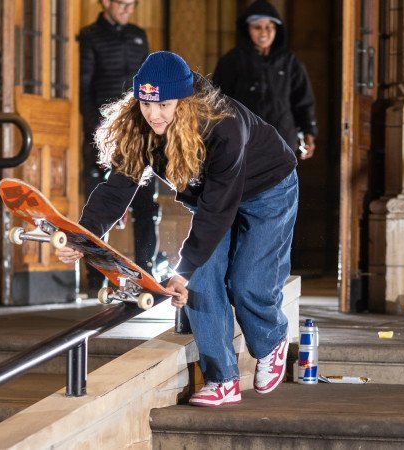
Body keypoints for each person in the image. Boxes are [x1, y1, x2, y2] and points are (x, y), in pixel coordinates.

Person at [56, 51, 299, 407]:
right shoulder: (140, 127)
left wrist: (183, 269)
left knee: (248, 282)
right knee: (201, 282)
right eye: (146, 103)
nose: (154, 115)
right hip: (213, 200)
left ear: (184, 101)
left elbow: (217, 210)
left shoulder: (223, 126)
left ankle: (271, 340)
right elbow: (117, 187)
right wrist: (84, 235)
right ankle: (222, 379)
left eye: (165, 105)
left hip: (268, 190)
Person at [78, 0, 160, 296]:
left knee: (146, 203)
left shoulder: (138, 34)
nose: (127, 9)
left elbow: (148, 84)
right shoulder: (89, 35)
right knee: (101, 202)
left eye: (132, 4)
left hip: (137, 130)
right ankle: (96, 277)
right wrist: (97, 126)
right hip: (102, 133)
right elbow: (83, 88)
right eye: (122, 4)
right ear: (105, 3)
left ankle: (146, 270)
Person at [212, 0, 317, 160]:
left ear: (277, 29)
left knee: (281, 183)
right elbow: (218, 102)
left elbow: (302, 100)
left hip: (283, 140)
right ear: (247, 29)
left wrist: (309, 131)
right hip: (244, 141)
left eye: (269, 27)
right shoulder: (231, 61)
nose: (264, 33)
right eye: (257, 27)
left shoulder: (289, 62)